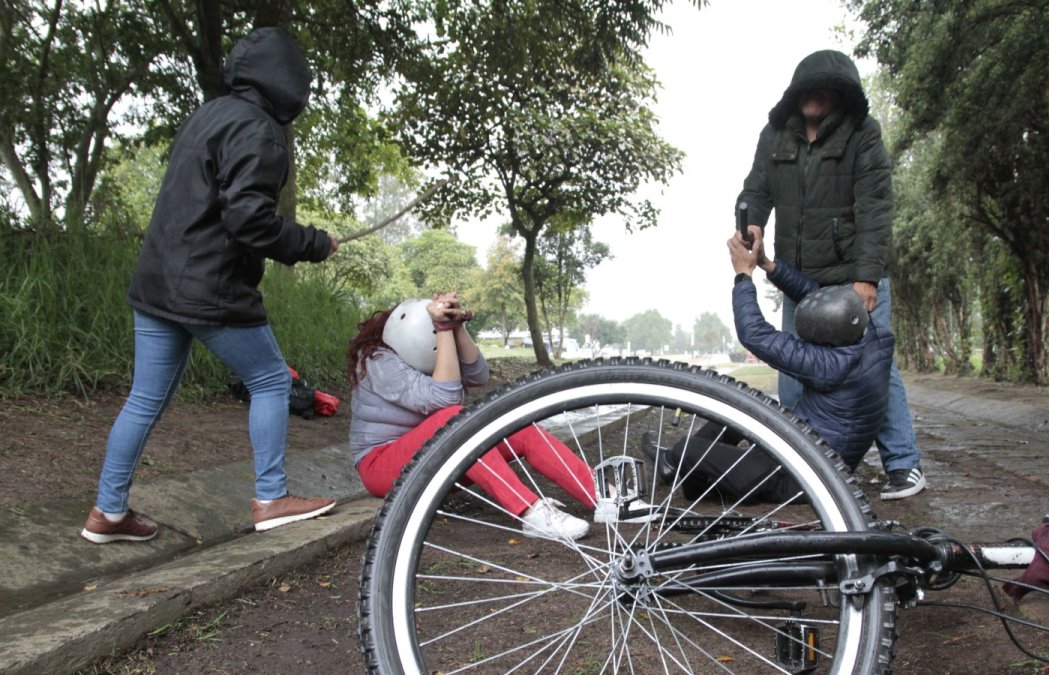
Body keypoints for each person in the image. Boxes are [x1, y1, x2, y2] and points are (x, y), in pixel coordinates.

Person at [81, 28, 339, 544]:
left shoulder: (209, 114)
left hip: (157, 280)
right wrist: (314, 243)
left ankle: (108, 512)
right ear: (286, 81)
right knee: (270, 380)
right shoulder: (261, 130)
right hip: (209, 286)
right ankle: (272, 498)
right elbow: (250, 221)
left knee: (144, 397)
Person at [735, 48, 926, 500]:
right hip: (798, 276)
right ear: (795, 92)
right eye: (807, 88)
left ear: (842, 95)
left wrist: (866, 277)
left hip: (854, 277)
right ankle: (806, 463)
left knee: (874, 371)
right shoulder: (775, 135)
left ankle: (904, 464)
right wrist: (752, 226)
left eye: (826, 89)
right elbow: (756, 190)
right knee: (793, 370)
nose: (815, 96)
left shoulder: (863, 135)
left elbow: (876, 208)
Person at [347, 294, 643, 541]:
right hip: (382, 465)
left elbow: (478, 375)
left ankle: (605, 498)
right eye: (438, 332)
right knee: (457, 421)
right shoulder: (375, 360)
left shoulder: (421, 346)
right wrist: (442, 330)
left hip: (435, 455)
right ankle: (530, 513)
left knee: (515, 426)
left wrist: (456, 325)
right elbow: (446, 399)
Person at [644, 233, 894, 503]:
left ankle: (673, 464)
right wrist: (768, 264)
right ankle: (680, 467)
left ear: (828, 340)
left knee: (687, 449)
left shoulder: (830, 366)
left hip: (799, 477)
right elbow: (818, 299)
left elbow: (755, 334)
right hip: (814, 458)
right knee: (738, 408)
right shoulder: (874, 336)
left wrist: (743, 275)